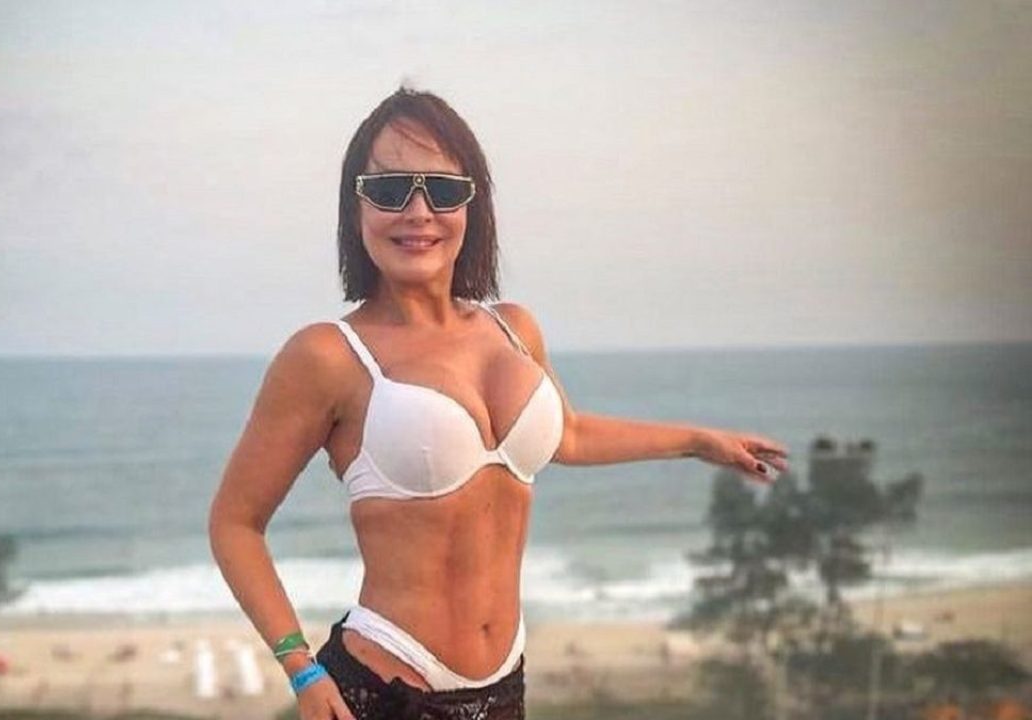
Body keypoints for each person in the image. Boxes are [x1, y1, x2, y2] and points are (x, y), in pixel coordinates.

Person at [208, 87, 790, 720]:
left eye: (443, 189)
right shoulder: (327, 355)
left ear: (472, 205)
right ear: (356, 208)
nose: (419, 211)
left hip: (505, 689)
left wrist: (698, 442)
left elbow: (569, 435)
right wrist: (301, 668)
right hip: (384, 689)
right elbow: (235, 523)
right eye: (390, 189)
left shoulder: (513, 329)